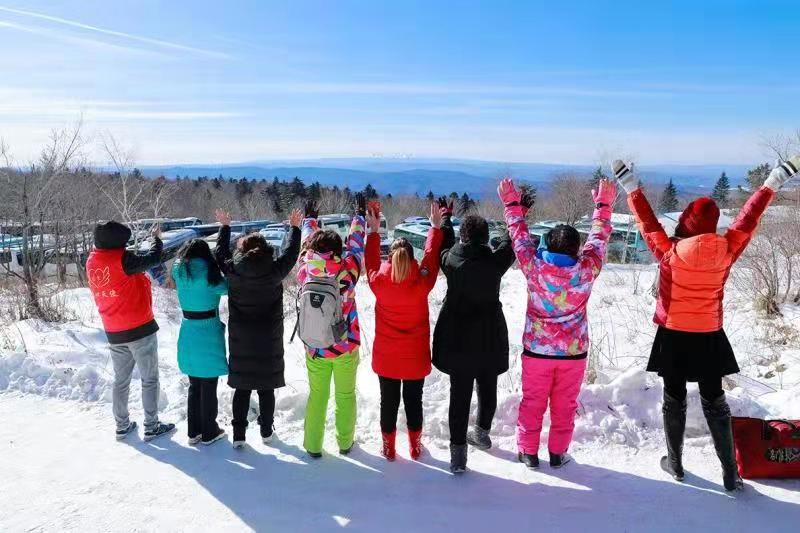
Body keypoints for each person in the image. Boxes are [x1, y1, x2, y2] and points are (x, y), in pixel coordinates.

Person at [612, 155, 800, 491]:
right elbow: (749, 217)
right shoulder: (727, 249)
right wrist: (775, 179)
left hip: (673, 334)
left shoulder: (670, 252)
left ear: (686, 222)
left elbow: (647, 222)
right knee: (715, 400)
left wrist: (631, 186)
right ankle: (730, 471)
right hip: (709, 334)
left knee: (674, 397)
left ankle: (676, 463)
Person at [498, 177, 614, 469]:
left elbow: (519, 236)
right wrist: (603, 206)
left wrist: (512, 204)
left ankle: (527, 451)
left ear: (547, 245)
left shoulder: (534, 267)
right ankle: (558, 453)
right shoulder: (586, 269)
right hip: (573, 354)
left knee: (532, 402)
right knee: (565, 406)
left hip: (537, 351)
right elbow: (598, 239)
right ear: (577, 249)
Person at [432, 198, 516, 473]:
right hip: (488, 335)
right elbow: (510, 245)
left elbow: (443, 245)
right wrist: (517, 213)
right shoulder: (494, 263)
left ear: (463, 236)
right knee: (487, 383)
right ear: (484, 238)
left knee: (460, 395)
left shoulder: (451, 261)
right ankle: (481, 431)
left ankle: (458, 456)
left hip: (457, 338)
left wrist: (445, 217)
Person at [214, 208, 302, 448]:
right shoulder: (274, 271)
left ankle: (239, 435)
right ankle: (266, 431)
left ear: (243, 250)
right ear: (265, 250)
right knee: (265, 387)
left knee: (242, 388)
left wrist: (224, 227)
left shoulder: (233, 271)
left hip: (241, 336)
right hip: (268, 337)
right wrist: (295, 228)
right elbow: (292, 254)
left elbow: (219, 253)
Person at [365, 201, 443, 461]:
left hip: (387, 357)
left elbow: (371, 261)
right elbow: (431, 258)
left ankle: (389, 448)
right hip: (415, 356)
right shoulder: (421, 283)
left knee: (388, 402)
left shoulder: (379, 281)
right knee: (413, 402)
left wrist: (374, 232)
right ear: (412, 258)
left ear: (390, 257)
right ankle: (415, 446)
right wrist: (434, 228)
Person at [85, 221, 175, 441]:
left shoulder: (92, 260)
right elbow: (153, 259)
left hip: (113, 330)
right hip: (139, 328)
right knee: (149, 379)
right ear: (117, 244)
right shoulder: (122, 260)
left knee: (121, 380)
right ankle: (152, 426)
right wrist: (157, 240)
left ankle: (122, 426)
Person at [297, 194, 366, 458]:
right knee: (345, 395)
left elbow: (306, 244)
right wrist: (358, 216)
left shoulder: (305, 269)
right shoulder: (347, 270)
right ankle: (345, 443)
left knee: (317, 396)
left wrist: (310, 220)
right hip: (345, 345)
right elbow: (356, 244)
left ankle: (313, 446)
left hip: (314, 345)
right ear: (339, 252)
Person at [172, 238, 229, 446]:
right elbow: (227, 288)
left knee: (194, 384)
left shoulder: (179, 269)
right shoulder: (210, 272)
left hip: (188, 328)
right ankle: (209, 431)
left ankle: (193, 431)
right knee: (209, 383)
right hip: (208, 329)